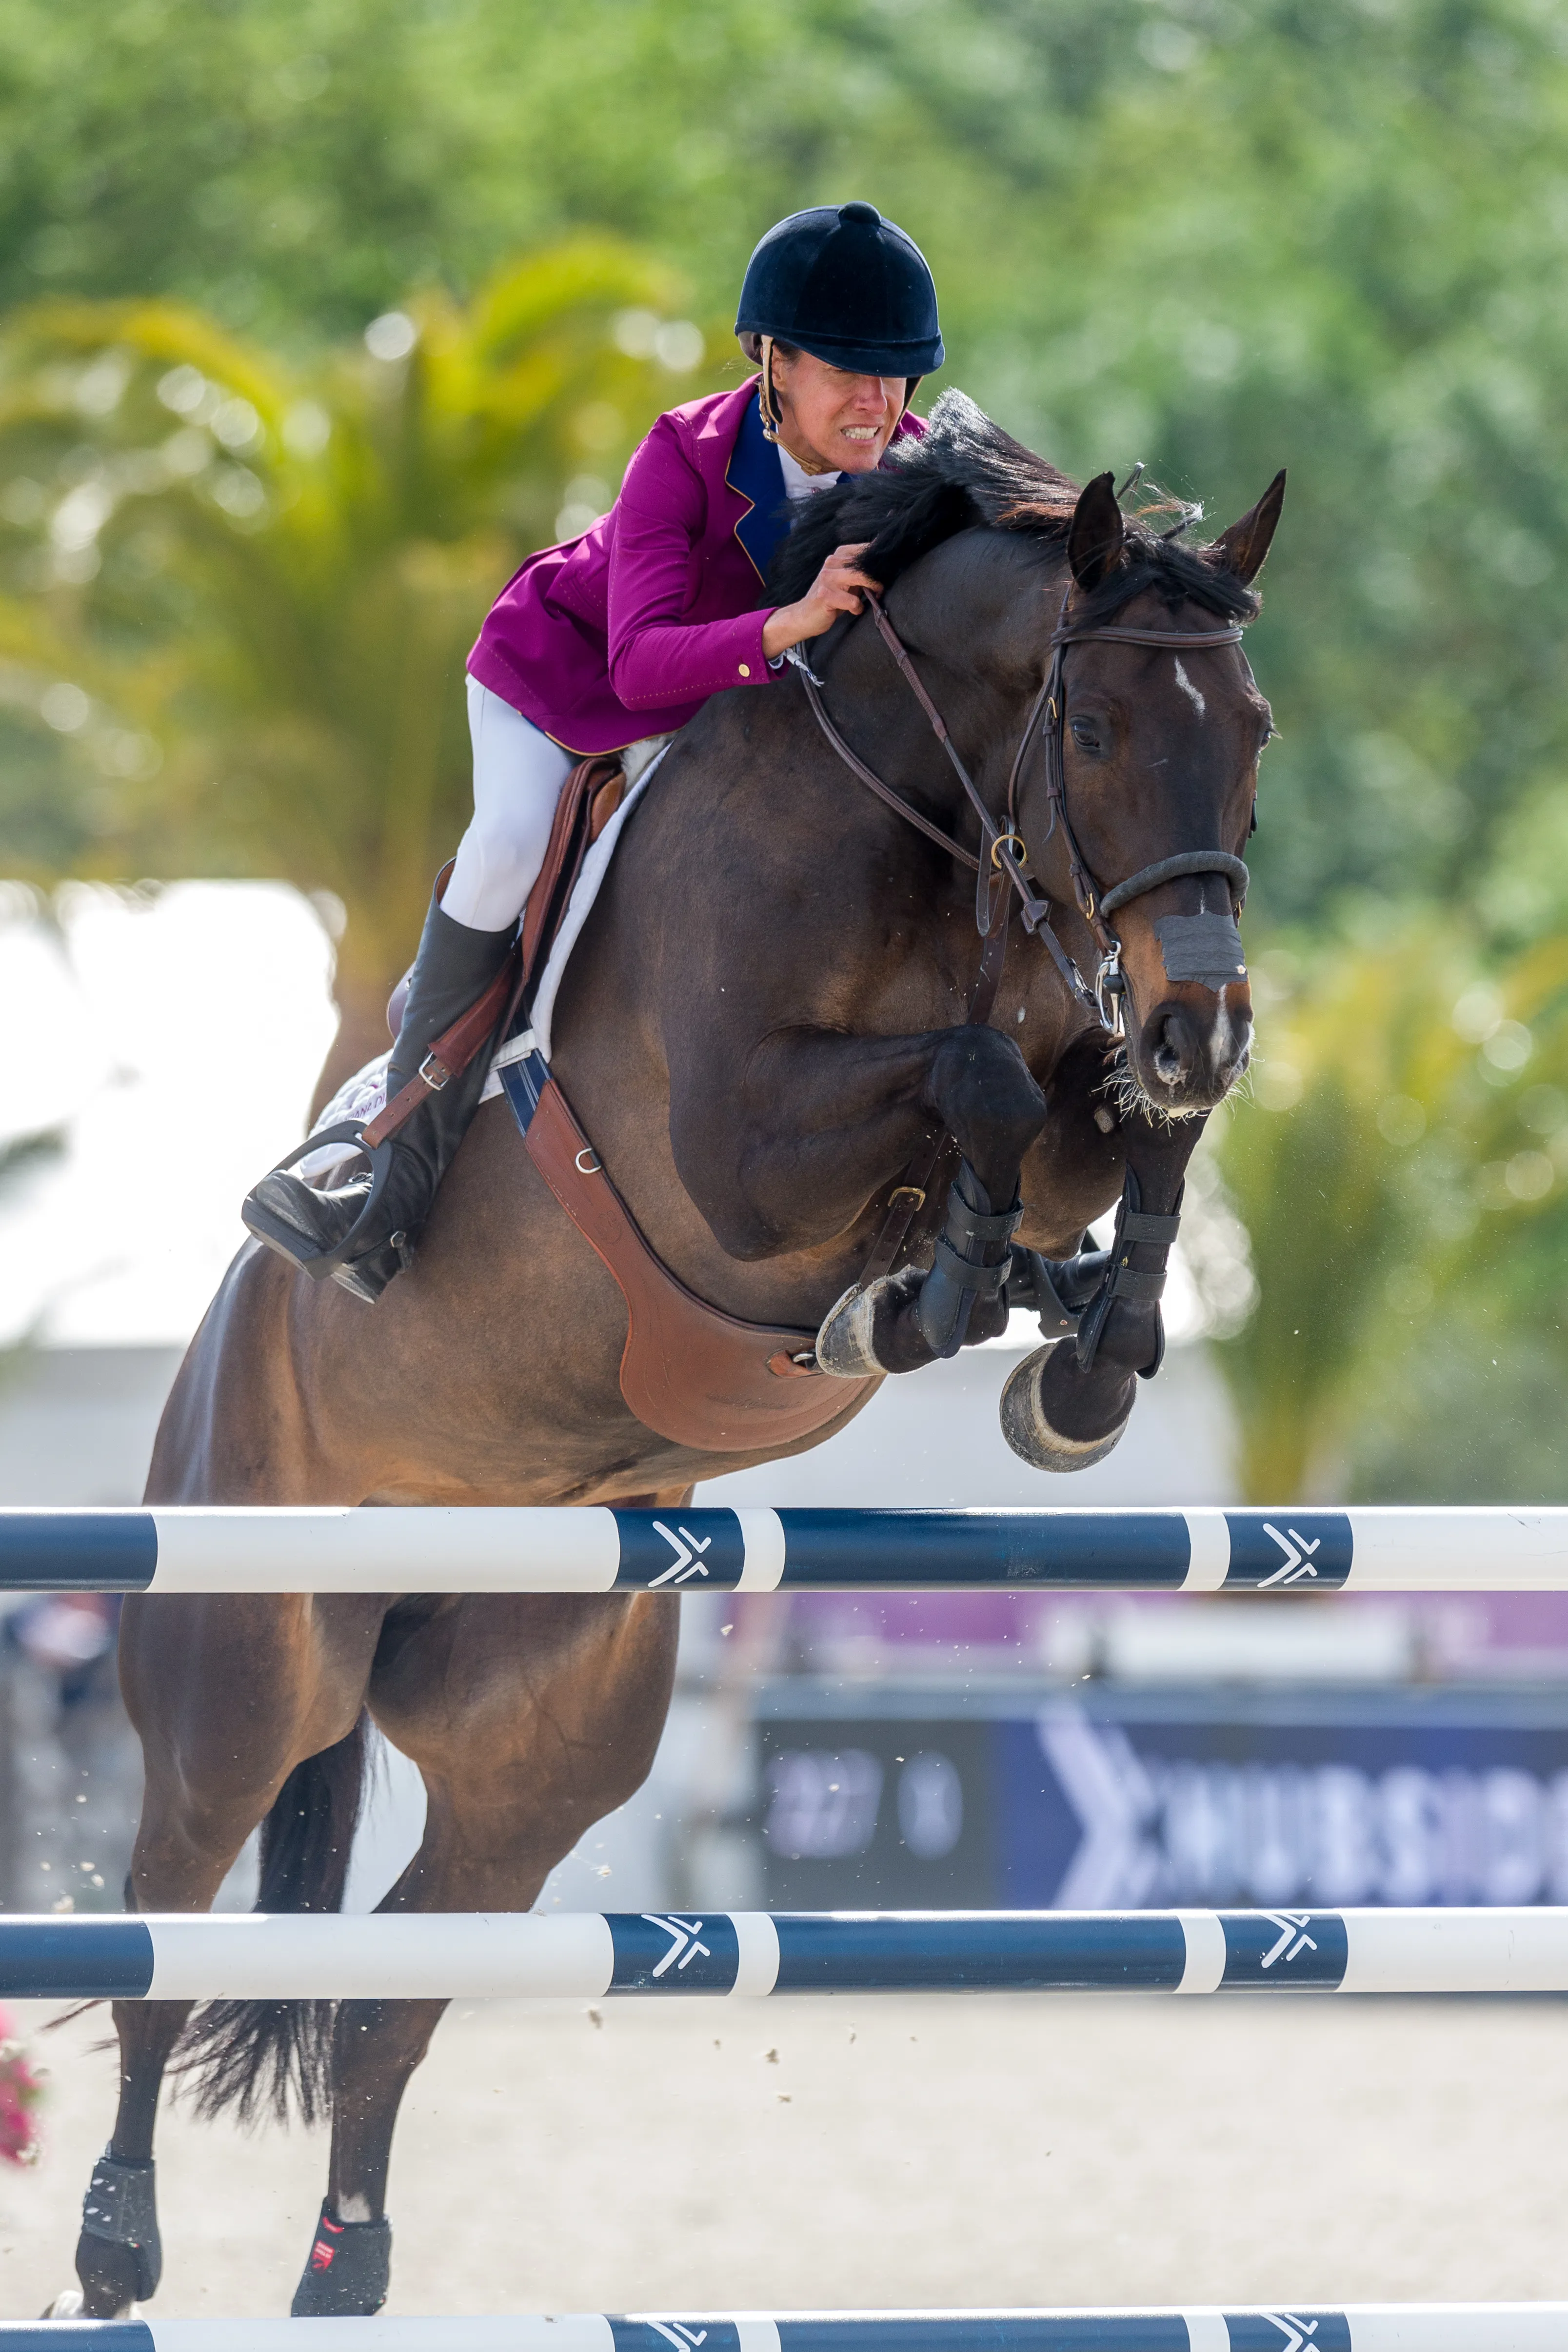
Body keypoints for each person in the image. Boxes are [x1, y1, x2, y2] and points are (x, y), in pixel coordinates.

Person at [242, 200, 944, 1301]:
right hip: (563, 685)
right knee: (508, 845)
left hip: (729, 725)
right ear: (772, 361)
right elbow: (641, 666)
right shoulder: (684, 453)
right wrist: (788, 622)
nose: (879, 402)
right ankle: (384, 1153)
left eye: (897, 373)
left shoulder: (914, 465)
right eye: (849, 371)